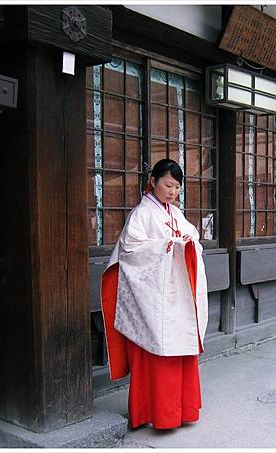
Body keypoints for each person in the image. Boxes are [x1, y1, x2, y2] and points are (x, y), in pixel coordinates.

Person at [101, 159, 208, 430]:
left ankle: (181, 411)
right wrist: (168, 246)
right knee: (154, 356)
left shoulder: (175, 214)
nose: (172, 192)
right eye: (168, 184)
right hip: (151, 298)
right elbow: (130, 250)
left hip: (176, 296)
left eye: (177, 187)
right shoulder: (141, 213)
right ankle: (157, 414)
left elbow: (192, 237)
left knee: (180, 350)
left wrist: (185, 245)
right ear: (153, 181)